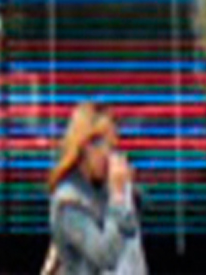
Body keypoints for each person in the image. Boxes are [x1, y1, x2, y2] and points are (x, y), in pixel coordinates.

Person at [47, 102, 144, 275]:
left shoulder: (103, 190)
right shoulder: (69, 202)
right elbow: (105, 256)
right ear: (87, 147)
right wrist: (118, 198)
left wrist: (127, 196)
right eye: (109, 148)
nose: (111, 158)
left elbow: (129, 244)